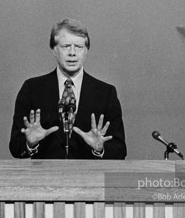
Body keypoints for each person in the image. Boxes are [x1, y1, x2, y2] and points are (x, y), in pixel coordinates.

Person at [9, 18, 126, 159]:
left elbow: (120, 150)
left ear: (86, 51)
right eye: (66, 46)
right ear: (54, 49)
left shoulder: (106, 93)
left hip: (89, 178)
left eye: (78, 47)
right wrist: (30, 144)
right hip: (44, 178)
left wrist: (99, 149)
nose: (72, 53)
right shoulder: (32, 89)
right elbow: (16, 148)